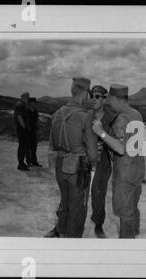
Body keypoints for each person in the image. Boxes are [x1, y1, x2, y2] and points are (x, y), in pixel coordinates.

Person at [91, 84, 144, 239]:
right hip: (138, 169)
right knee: (133, 207)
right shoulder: (136, 114)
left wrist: (101, 133)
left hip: (125, 172)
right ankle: (135, 232)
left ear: (115, 98)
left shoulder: (121, 118)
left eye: (109, 99)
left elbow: (121, 149)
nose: (109, 103)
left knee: (125, 213)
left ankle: (127, 246)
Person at [47, 77, 98, 238]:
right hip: (78, 169)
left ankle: (61, 232)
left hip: (60, 167)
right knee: (78, 208)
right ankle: (73, 244)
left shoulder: (56, 114)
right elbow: (92, 154)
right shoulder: (85, 117)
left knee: (65, 202)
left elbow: (52, 144)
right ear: (85, 94)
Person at [89, 85, 115, 238]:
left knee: (99, 194)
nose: (94, 99)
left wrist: (104, 142)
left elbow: (116, 141)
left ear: (104, 98)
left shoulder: (111, 118)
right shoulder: (86, 115)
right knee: (77, 192)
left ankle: (98, 224)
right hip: (84, 160)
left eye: (97, 96)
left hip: (102, 162)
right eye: (92, 95)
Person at [14, 92, 31, 171]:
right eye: (27, 97)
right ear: (22, 97)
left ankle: (22, 163)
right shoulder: (19, 105)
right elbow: (19, 117)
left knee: (24, 146)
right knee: (22, 146)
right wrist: (24, 127)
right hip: (22, 129)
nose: (28, 99)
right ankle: (21, 163)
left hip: (23, 128)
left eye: (28, 97)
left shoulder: (22, 105)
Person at [25, 97, 42, 167]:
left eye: (35, 102)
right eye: (33, 102)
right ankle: (28, 162)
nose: (34, 104)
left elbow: (37, 119)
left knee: (34, 147)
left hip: (33, 130)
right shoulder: (26, 111)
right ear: (30, 103)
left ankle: (34, 162)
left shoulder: (35, 111)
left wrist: (37, 124)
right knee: (28, 147)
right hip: (27, 130)